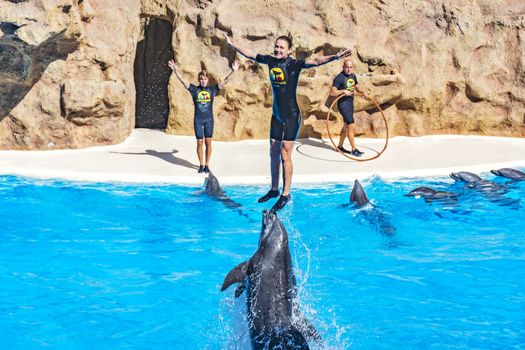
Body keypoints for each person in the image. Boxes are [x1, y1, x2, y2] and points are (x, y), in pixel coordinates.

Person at [224, 34, 351, 211]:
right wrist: (232, 44)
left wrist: (335, 57)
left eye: (281, 47)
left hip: (291, 116)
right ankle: (274, 190)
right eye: (276, 47)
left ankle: (286, 194)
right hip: (277, 115)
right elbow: (251, 54)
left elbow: (315, 61)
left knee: (285, 154)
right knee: (273, 152)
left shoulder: (293, 64)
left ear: (289, 50)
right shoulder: (270, 61)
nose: (277, 50)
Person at [168, 59, 239, 173]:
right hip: (198, 120)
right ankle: (201, 165)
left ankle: (207, 165)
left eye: (205, 79)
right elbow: (183, 81)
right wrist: (175, 70)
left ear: (208, 80)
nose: (203, 81)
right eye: (201, 79)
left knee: (208, 142)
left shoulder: (212, 89)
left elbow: (225, 81)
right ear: (199, 80)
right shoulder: (194, 90)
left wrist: (234, 71)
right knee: (199, 142)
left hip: (209, 120)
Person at [330, 59, 368, 157]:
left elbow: (357, 86)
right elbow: (332, 92)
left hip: (350, 103)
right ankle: (354, 149)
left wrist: (363, 92)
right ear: (343, 67)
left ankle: (340, 146)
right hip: (343, 105)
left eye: (350, 67)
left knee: (346, 126)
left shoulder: (353, 75)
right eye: (347, 67)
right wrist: (343, 91)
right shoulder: (339, 78)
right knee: (350, 125)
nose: (348, 69)